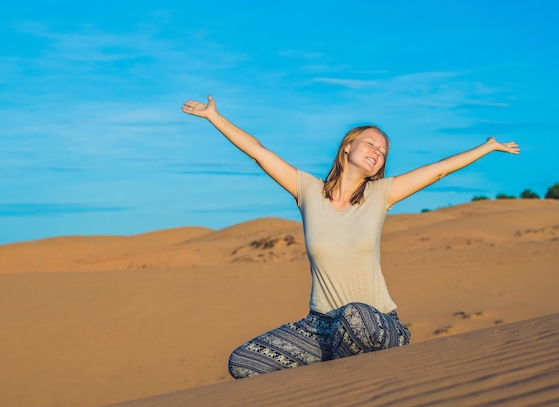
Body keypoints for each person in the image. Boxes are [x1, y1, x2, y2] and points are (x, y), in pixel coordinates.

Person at [181, 95, 520, 379]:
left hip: (377, 323)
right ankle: (332, 368)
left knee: (355, 315)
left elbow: (438, 169)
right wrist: (214, 116)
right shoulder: (307, 191)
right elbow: (258, 151)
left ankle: (346, 382)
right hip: (322, 328)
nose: (377, 151)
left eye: (383, 152)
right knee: (243, 363)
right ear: (347, 147)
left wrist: (486, 147)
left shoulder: (381, 194)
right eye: (371, 142)